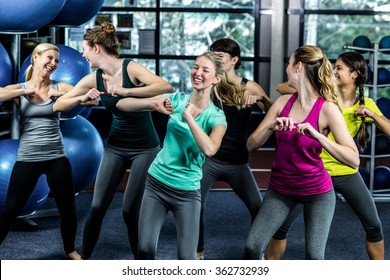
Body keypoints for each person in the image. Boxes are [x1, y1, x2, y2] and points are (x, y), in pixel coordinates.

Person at [53, 22, 174, 259]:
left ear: (96, 48)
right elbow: (59, 104)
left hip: (145, 148)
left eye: (85, 49)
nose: (83, 54)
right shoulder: (93, 78)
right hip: (116, 146)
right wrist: (82, 98)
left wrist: (127, 91)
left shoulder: (130, 68)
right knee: (97, 207)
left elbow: (165, 86)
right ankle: (85, 261)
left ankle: (143, 265)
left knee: (130, 211)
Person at [115, 51, 242, 260]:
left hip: (187, 193)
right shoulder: (176, 99)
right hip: (157, 183)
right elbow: (122, 105)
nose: (197, 72)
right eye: (195, 67)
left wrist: (189, 118)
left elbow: (210, 149)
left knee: (187, 259)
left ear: (217, 79)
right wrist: (152, 104)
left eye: (205, 70)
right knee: (145, 249)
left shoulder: (216, 116)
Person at [267, 51, 389, 260]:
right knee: (281, 226)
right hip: (314, 171)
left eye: (339, 68)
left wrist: (372, 116)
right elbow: (282, 87)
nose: (334, 71)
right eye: (334, 67)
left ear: (355, 74)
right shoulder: (323, 97)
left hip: (345, 171)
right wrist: (315, 83)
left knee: (373, 225)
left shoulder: (365, 104)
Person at [243, 45, 360, 260]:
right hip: (280, 190)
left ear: (298, 67)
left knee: (314, 258)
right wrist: (271, 127)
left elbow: (353, 160)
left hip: (318, 193)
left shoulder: (327, 109)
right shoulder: (281, 103)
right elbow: (250, 145)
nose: (286, 69)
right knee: (252, 248)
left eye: (289, 63)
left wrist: (318, 136)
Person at [0, 43, 81, 260]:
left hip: (57, 156)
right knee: (10, 210)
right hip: (28, 157)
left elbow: (89, 99)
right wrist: (23, 90)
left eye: (56, 60)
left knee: (68, 209)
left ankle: (70, 250)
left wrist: (64, 96)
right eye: (49, 58)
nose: (53, 63)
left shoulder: (59, 86)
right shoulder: (20, 89)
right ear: (35, 58)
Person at [196, 38, 273, 260]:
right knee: (195, 205)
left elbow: (274, 110)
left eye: (220, 57)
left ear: (234, 60)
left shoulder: (248, 86)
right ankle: (198, 251)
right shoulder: (210, 85)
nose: (215, 60)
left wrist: (260, 98)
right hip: (210, 160)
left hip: (238, 163)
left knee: (258, 208)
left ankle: (257, 253)